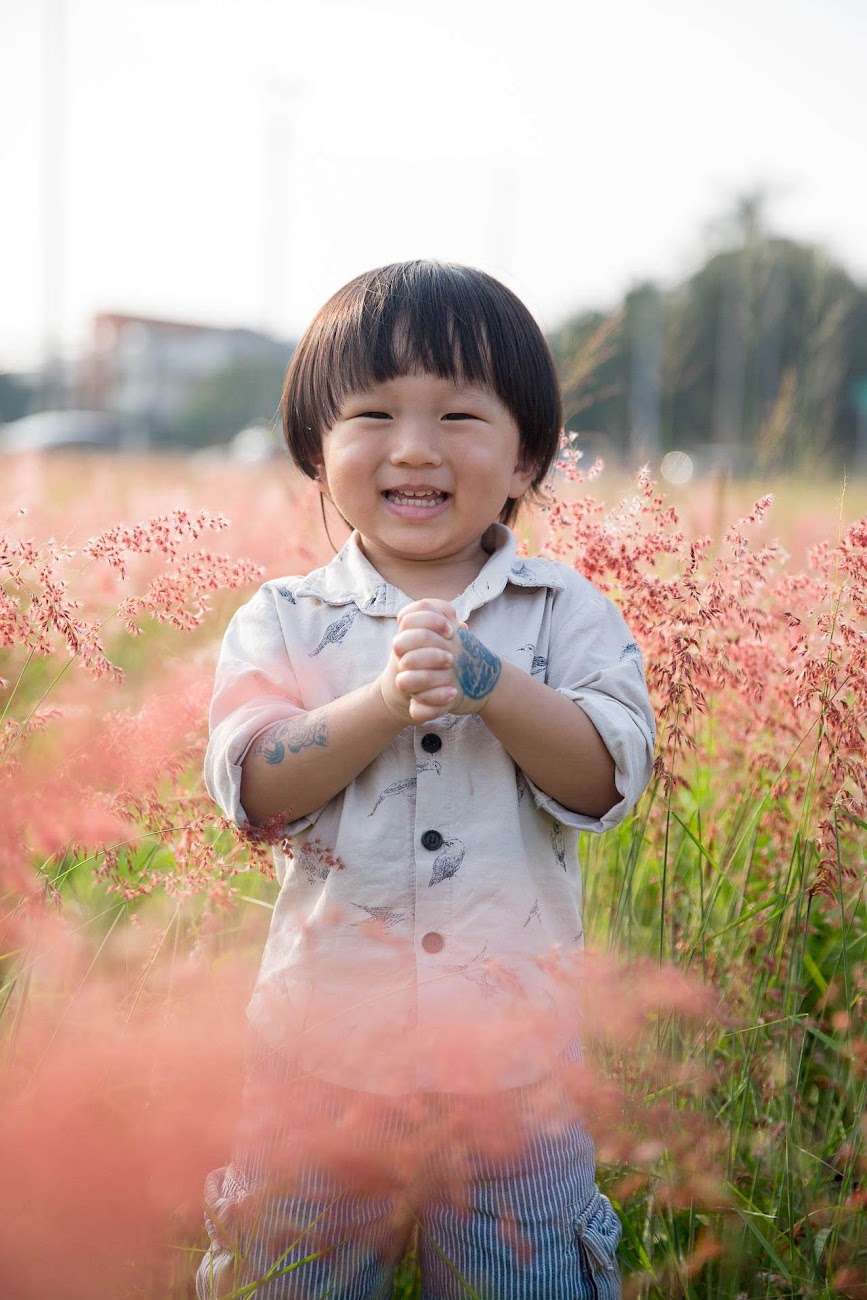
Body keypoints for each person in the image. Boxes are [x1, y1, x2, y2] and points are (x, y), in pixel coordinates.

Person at [197, 261, 655, 1300]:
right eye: (371, 415)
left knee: (522, 1278)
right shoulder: (284, 619)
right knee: (294, 1277)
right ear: (316, 449)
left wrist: (490, 683)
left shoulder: (564, 612)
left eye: (459, 413)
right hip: (319, 1061)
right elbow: (256, 792)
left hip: (513, 1075)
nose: (414, 447)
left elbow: (604, 778)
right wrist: (376, 707)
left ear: (528, 457)